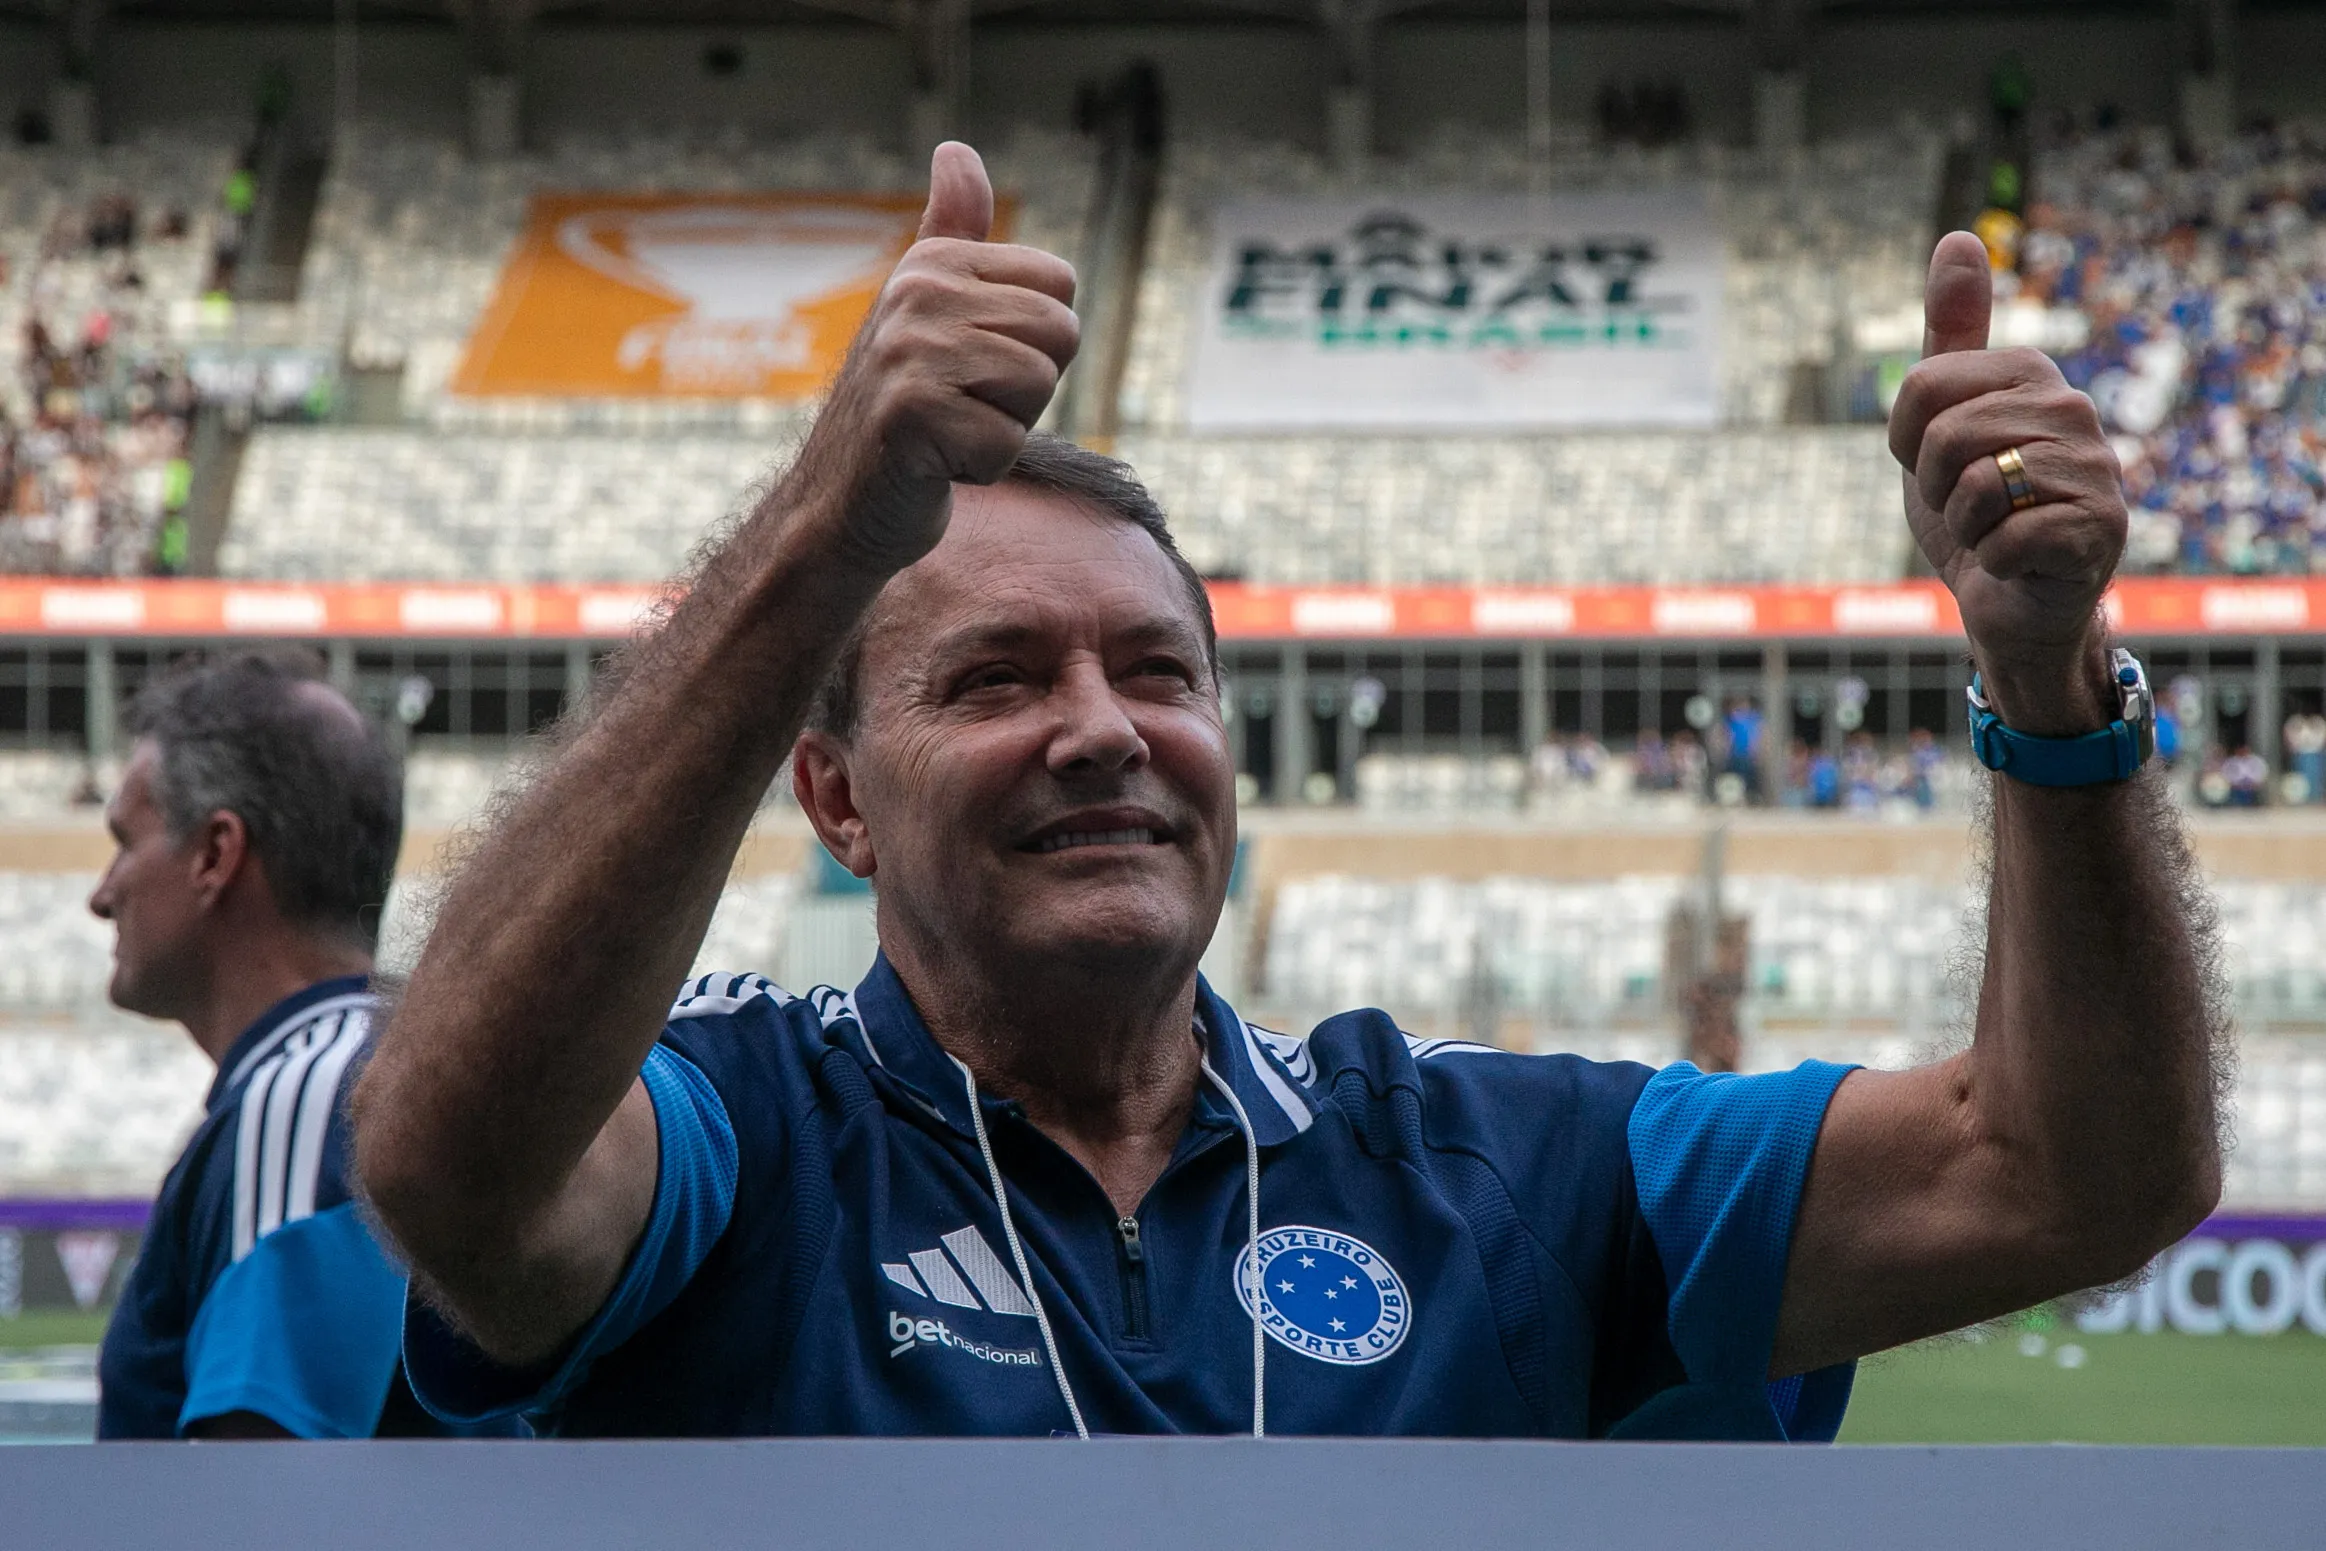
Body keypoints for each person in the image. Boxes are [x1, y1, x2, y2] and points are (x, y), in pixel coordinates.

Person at [355, 150, 2225, 1441]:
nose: (1104, 727)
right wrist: (821, 539)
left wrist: (2048, 679)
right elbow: (454, 1163)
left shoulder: (1490, 1171)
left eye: (1161, 672)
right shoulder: (741, 1133)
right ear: (837, 803)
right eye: (998, 677)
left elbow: (2067, 1175)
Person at [91, 650, 507, 1440]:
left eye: (124, 840)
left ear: (216, 854)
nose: (100, 893)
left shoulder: (311, 1097)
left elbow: (262, 1505)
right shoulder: (393, 1066)